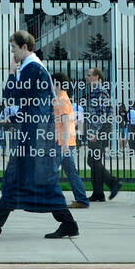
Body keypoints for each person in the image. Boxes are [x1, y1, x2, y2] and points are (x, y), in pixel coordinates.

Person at [0, 31, 78, 240]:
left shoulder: (31, 68)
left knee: (23, 179)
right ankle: (67, 223)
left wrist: (11, 73)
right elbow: (34, 103)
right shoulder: (35, 68)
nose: (13, 53)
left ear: (24, 46)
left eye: (13, 48)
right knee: (31, 180)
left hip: (35, 136)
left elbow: (11, 96)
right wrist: (16, 118)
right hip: (36, 133)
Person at [83, 67, 122, 201]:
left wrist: (95, 133)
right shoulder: (94, 92)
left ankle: (113, 182)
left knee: (92, 160)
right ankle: (98, 193)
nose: (86, 77)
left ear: (96, 77)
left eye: (89, 75)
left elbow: (102, 115)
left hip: (99, 130)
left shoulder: (100, 92)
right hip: (97, 129)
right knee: (94, 160)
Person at [52, 72, 89, 209]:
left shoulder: (62, 99)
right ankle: (82, 200)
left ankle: (48, 199)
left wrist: (65, 143)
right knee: (71, 172)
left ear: (57, 84)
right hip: (65, 142)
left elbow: (66, 121)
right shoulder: (61, 98)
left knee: (51, 170)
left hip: (62, 143)